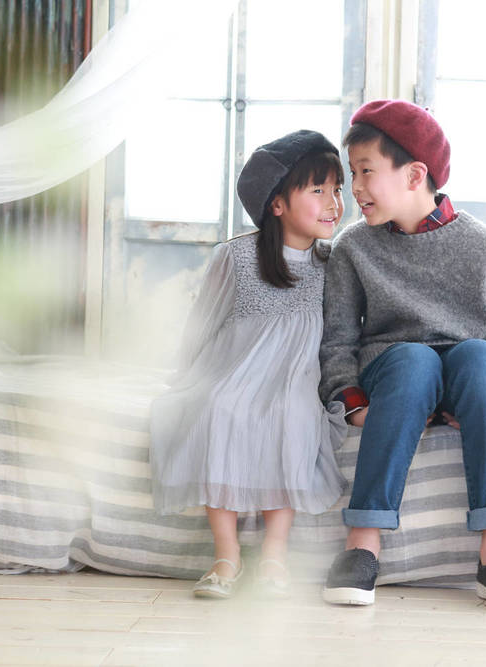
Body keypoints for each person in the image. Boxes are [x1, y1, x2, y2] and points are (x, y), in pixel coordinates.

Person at [319, 100, 486, 613]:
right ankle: (363, 545)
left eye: (366, 172)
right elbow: (337, 342)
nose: (354, 188)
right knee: (414, 360)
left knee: (478, 356)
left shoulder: (485, 247)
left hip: (473, 376)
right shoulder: (353, 249)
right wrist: (352, 403)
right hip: (396, 373)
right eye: (351, 174)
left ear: (414, 175)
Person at [150, 130, 348, 600]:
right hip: (235, 365)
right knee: (217, 407)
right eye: (317, 189)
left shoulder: (334, 263)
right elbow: (204, 322)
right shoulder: (236, 256)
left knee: (292, 415)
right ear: (276, 203)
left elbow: (343, 334)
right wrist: (188, 375)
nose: (334, 203)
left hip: (295, 374)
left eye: (337, 189)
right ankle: (227, 555)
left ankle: (274, 554)